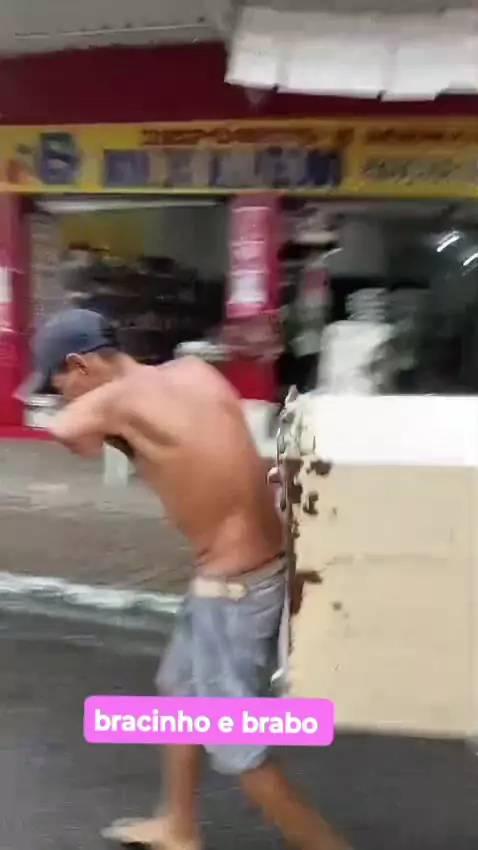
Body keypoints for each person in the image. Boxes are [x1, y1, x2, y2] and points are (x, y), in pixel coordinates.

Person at [17, 308, 352, 850]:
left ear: (79, 364)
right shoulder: (192, 371)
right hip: (254, 567)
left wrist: (65, 412)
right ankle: (178, 825)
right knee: (179, 692)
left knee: (236, 745)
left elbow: (71, 434)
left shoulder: (113, 398)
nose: (61, 395)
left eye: (59, 384)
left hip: (233, 588)